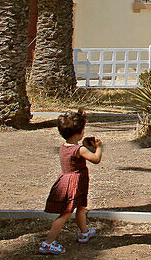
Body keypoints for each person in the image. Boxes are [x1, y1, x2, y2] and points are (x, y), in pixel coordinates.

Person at [41, 108, 103, 254]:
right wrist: (99, 147)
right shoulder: (79, 149)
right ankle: (47, 243)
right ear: (78, 133)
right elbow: (96, 159)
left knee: (80, 206)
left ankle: (84, 232)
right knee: (66, 213)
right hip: (74, 183)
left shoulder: (64, 148)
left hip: (70, 181)